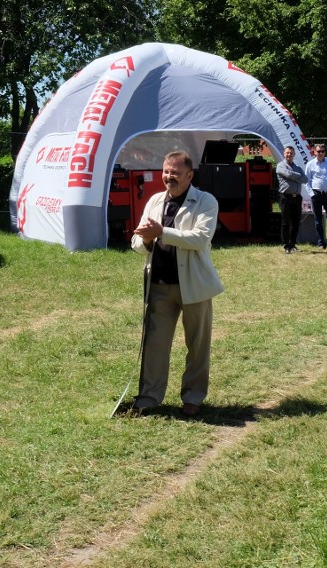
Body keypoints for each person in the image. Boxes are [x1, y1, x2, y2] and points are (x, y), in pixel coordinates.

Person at [131, 151, 224, 417]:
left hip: (194, 285)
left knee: (197, 345)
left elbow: (199, 238)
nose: (168, 177)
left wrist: (161, 232)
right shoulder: (154, 201)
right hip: (159, 285)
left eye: (175, 172)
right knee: (155, 345)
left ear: (189, 175)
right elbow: (137, 242)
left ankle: (193, 397)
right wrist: (147, 240)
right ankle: (149, 398)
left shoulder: (206, 201)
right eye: (165, 171)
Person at [305, 143, 327, 250]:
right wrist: (312, 194)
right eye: (318, 151)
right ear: (314, 152)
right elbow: (307, 181)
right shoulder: (310, 164)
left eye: (322, 151)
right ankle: (321, 244)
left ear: (325, 152)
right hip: (316, 195)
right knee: (318, 220)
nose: (320, 153)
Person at [275, 145, 308, 254]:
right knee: (286, 222)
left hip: (297, 198)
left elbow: (305, 180)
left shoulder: (297, 167)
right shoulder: (280, 166)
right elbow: (288, 174)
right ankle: (286, 246)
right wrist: (298, 176)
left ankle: (293, 244)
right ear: (284, 154)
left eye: (291, 153)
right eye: (287, 153)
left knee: (296, 222)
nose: (289, 155)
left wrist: (294, 176)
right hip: (285, 197)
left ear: (294, 155)